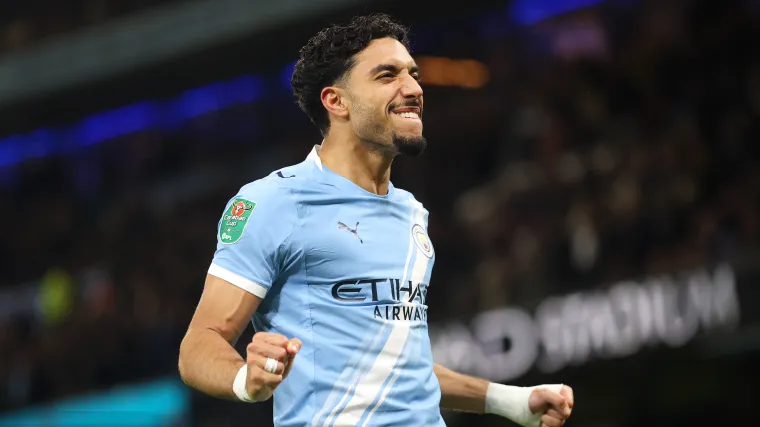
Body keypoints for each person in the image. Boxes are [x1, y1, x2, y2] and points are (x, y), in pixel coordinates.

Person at [178, 13, 574, 427]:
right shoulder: (274, 202)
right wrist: (245, 380)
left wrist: (511, 401)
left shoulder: (411, 211)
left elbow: (397, 367)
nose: (414, 88)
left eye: (413, 74)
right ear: (336, 102)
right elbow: (198, 346)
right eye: (388, 75)